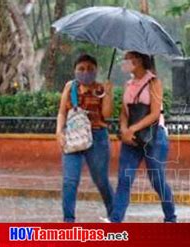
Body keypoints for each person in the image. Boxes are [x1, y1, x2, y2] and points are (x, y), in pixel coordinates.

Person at [110, 51, 176, 223]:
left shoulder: (154, 82)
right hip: (131, 139)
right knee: (124, 179)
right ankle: (115, 221)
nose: (124, 62)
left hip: (153, 138)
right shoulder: (128, 84)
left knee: (157, 180)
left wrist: (133, 128)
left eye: (127, 58)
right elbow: (124, 112)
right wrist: (125, 130)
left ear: (137, 60)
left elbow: (155, 114)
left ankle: (170, 217)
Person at [56, 54, 114, 222]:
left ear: (96, 71)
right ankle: (68, 222)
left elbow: (107, 115)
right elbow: (62, 112)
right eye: (81, 69)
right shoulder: (69, 87)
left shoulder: (101, 89)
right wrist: (59, 132)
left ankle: (114, 215)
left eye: (90, 69)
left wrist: (108, 93)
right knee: (69, 181)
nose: (85, 72)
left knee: (101, 181)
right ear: (74, 70)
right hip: (73, 138)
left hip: (97, 139)